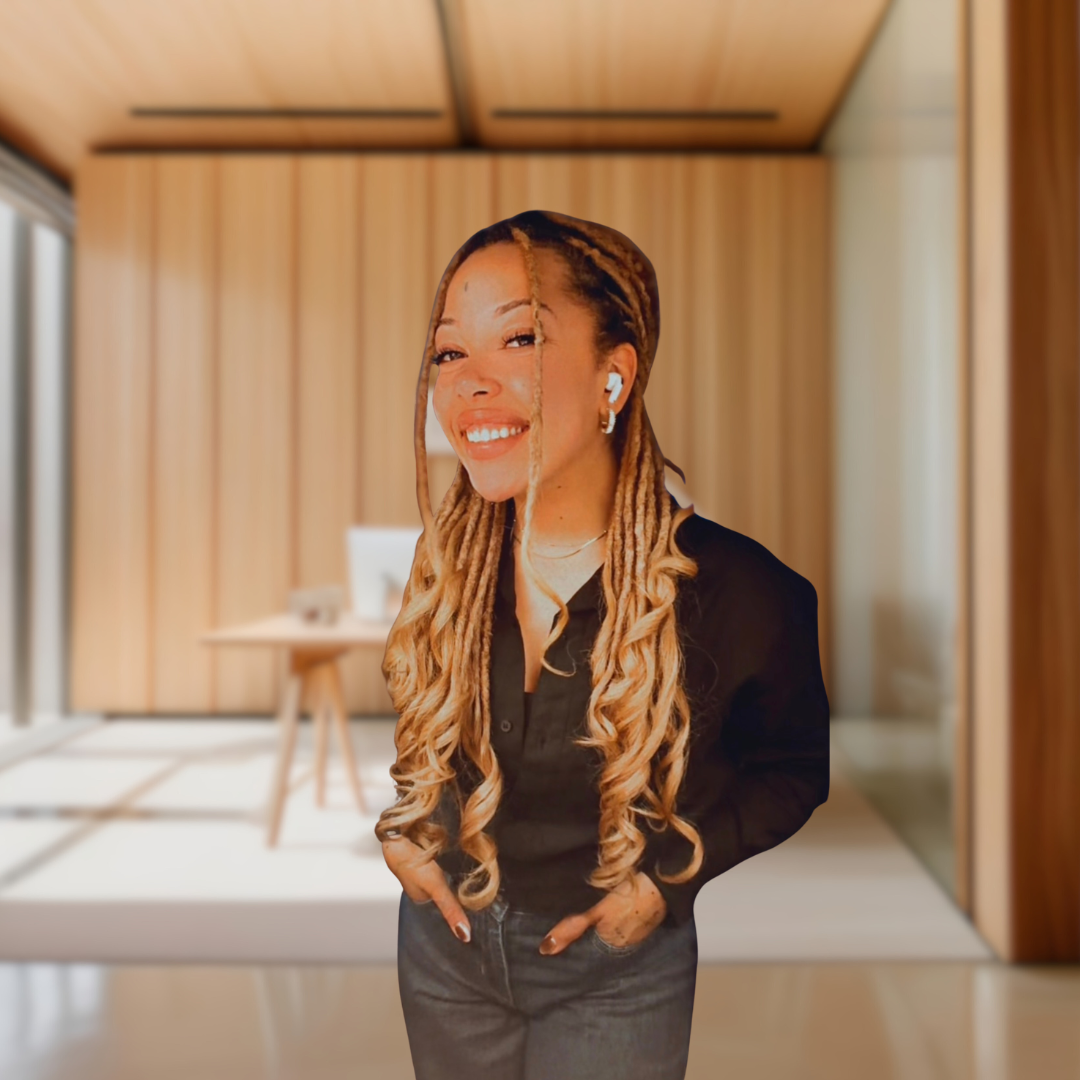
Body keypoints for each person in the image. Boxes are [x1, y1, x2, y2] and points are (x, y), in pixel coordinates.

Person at [377, 210, 830, 1080]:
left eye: (516, 339)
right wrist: (403, 828)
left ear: (614, 375)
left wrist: (665, 884)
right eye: (447, 353)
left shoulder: (746, 593)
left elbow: (792, 770)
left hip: (617, 970)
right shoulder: (450, 562)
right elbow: (426, 736)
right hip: (445, 952)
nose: (468, 384)